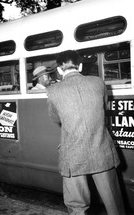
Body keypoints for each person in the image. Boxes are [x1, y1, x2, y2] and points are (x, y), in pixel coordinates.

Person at [46, 50, 126, 215]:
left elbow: (55, 118)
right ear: (80, 65)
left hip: (73, 155)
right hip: (101, 150)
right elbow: (104, 108)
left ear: (60, 70)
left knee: (77, 206)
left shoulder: (53, 90)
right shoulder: (98, 83)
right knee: (114, 203)